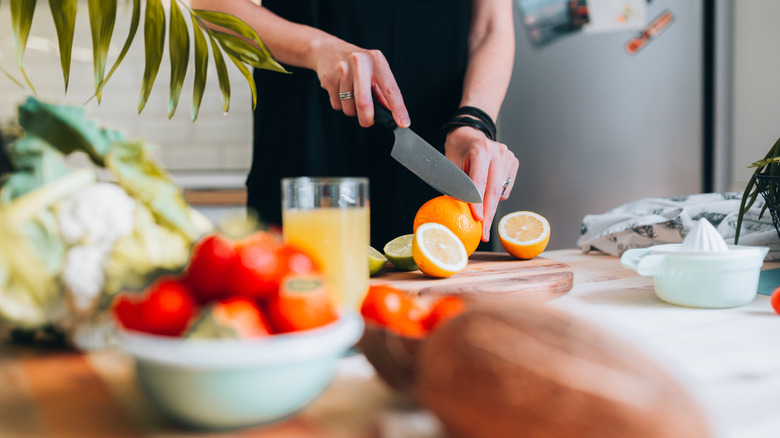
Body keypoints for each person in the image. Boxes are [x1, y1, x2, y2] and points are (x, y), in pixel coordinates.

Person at [191, 0, 518, 249]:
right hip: (304, 138)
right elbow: (210, 5)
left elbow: (491, 26)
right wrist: (317, 49)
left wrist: (472, 120)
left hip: (437, 157)